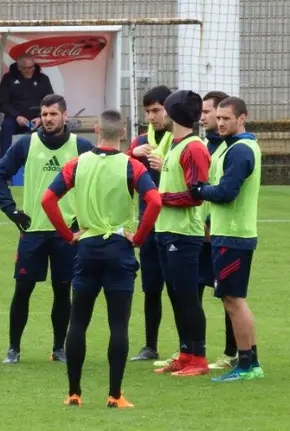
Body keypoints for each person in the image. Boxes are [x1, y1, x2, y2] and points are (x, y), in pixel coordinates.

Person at [41, 109, 162, 409]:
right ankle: (115, 394)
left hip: (87, 247)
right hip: (120, 248)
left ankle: (74, 393)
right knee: (118, 324)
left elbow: (47, 199)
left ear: (96, 131)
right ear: (122, 134)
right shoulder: (132, 166)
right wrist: (139, 237)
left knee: (78, 322)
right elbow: (155, 201)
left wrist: (68, 236)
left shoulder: (77, 164)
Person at [0, 94, 94, 365]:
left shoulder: (81, 147)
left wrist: (86, 218)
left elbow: (97, 180)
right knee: (23, 290)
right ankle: (13, 348)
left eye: (53, 114)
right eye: (44, 114)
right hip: (33, 231)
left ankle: (58, 348)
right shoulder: (26, 143)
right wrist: (10, 210)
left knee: (62, 291)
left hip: (67, 235)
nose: (48, 119)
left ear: (65, 116)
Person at [189, 96, 265, 381]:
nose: (219, 123)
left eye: (226, 119)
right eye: (217, 118)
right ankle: (249, 360)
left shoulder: (241, 150)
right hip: (225, 234)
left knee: (234, 300)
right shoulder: (229, 147)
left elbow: (225, 192)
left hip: (234, 236)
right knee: (232, 300)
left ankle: (247, 363)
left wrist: (198, 190)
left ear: (241, 118)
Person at [152, 89, 211, 377]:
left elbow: (196, 195)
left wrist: (159, 198)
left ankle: (198, 358)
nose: (159, 114)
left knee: (188, 296)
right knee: (176, 295)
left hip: (184, 234)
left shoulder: (194, 148)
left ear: (172, 113)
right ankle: (185, 352)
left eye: (163, 109)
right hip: (166, 231)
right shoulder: (175, 145)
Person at [125, 85, 175, 363]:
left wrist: (163, 164)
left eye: (156, 110)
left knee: (180, 290)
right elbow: (122, 176)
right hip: (148, 226)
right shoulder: (140, 141)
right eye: (147, 111)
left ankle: (187, 347)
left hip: (175, 226)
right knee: (151, 288)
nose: (152, 116)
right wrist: (132, 156)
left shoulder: (180, 139)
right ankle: (150, 346)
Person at [199, 90, 239, 371]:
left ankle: (232, 352)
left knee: (228, 295)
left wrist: (211, 223)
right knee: (191, 291)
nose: (203, 117)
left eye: (208, 112)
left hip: (220, 233)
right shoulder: (202, 145)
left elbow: (225, 191)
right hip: (196, 232)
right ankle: (191, 351)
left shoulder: (231, 150)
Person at [0, 54, 54, 158]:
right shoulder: (8, 78)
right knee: (6, 126)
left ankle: (48, 159)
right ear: (19, 68)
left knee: (52, 125)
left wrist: (41, 118)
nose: (29, 70)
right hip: (15, 117)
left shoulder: (43, 79)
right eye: (25, 68)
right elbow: (2, 102)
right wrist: (17, 116)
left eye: (31, 67)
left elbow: (50, 101)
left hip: (37, 117)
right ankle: (3, 161)